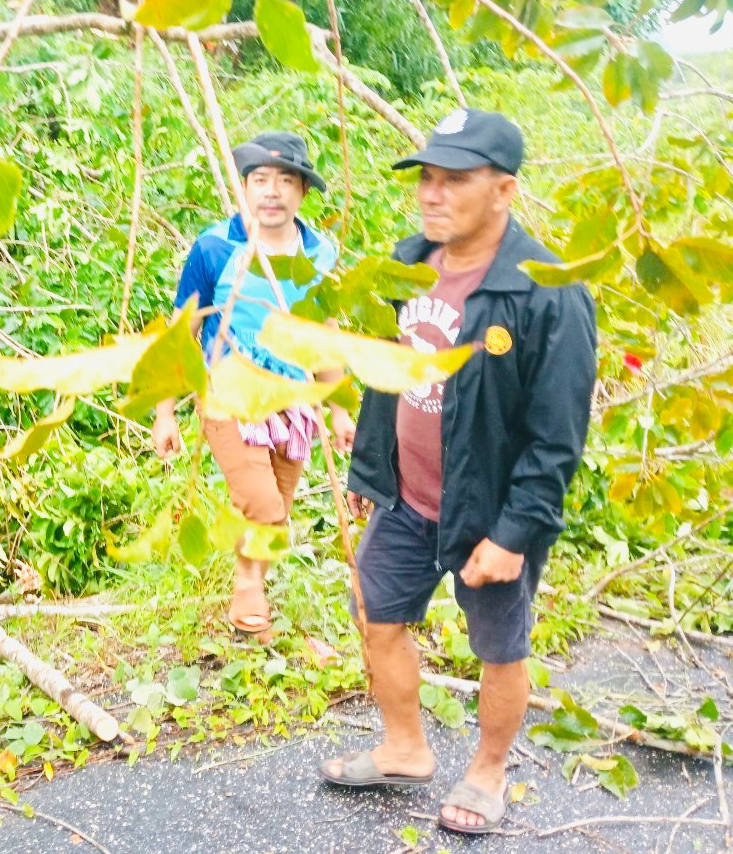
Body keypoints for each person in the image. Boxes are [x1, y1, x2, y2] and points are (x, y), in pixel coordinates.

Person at [320, 109, 597, 835]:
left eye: (454, 181)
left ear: (503, 190)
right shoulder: (406, 266)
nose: (431, 194)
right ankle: (405, 748)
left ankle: (487, 772)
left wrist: (513, 535)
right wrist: (369, 470)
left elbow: (557, 437)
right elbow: (388, 376)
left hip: (492, 513)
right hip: (406, 499)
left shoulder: (547, 291)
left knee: (498, 650)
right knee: (376, 615)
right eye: (427, 180)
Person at [152, 131, 355, 645]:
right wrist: (165, 412)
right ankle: (249, 598)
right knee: (262, 505)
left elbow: (322, 336)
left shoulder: (319, 254)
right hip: (227, 394)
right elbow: (182, 332)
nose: (272, 192)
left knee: (276, 512)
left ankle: (247, 620)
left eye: (285, 181)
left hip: (292, 401)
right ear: (244, 187)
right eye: (260, 180)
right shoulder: (217, 248)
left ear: (302, 193)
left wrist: (339, 410)